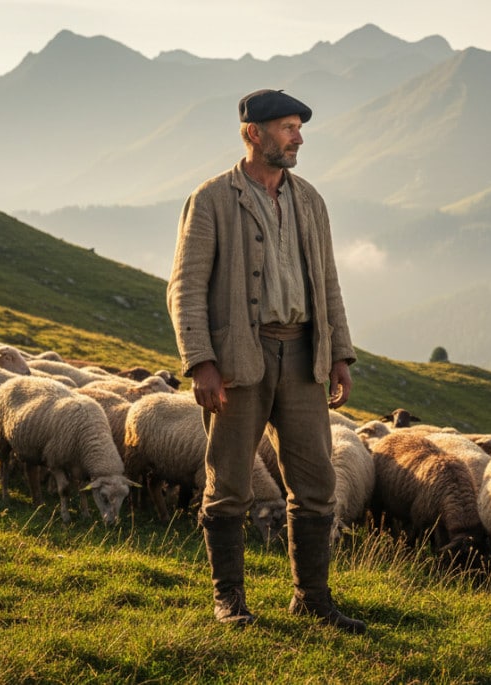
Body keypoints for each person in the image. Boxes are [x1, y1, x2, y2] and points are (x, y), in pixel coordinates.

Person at [166, 88, 365, 633]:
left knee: (317, 483)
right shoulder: (211, 199)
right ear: (254, 133)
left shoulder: (310, 201)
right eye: (287, 128)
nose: (298, 138)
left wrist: (339, 354)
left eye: (299, 128)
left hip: (303, 356)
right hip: (238, 359)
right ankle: (229, 600)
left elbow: (328, 283)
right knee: (230, 482)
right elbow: (185, 287)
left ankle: (312, 599)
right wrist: (201, 362)